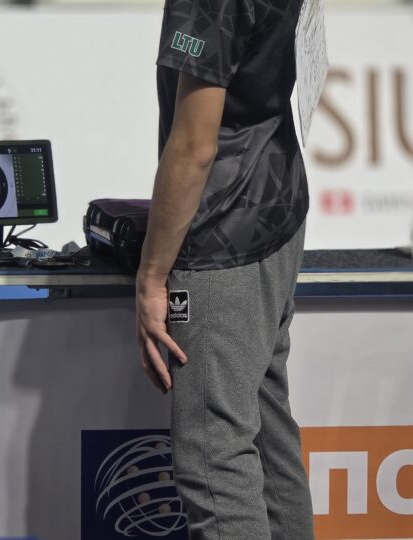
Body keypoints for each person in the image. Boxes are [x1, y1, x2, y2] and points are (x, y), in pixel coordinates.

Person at [135, 0, 315, 538]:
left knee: (215, 460)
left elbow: (194, 146)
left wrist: (152, 277)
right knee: (267, 439)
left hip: (224, 232)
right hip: (276, 213)